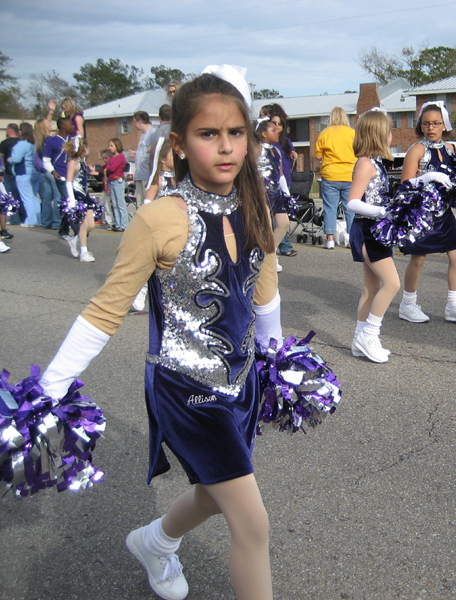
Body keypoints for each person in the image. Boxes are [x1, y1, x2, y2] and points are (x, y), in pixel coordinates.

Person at [39, 66, 280, 600]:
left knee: (218, 493)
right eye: (208, 134)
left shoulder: (255, 206)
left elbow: (264, 292)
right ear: (178, 143)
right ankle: (157, 544)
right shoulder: (158, 218)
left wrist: (278, 359)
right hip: (186, 388)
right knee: (253, 523)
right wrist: (48, 391)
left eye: (235, 133)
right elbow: (105, 310)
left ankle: (156, 541)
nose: (225, 147)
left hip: (241, 384)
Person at [399, 101, 456, 325]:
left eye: (435, 123)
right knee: (418, 258)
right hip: (421, 213)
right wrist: (427, 178)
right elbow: (405, 184)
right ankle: (408, 304)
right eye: (426, 124)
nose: (430, 128)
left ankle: (454, 305)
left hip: (443, 212)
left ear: (444, 125)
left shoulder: (450, 148)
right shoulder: (417, 150)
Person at [345, 109, 401, 362]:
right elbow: (352, 202)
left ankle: (359, 339)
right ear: (378, 135)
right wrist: (384, 212)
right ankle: (369, 334)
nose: (392, 135)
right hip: (368, 231)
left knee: (371, 287)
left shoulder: (375, 162)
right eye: (389, 131)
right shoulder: (366, 163)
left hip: (374, 230)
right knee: (392, 284)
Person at [315, 106, 357, 250]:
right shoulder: (353, 133)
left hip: (330, 174)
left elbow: (318, 156)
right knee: (350, 208)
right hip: (349, 174)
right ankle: (352, 239)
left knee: (330, 208)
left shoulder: (325, 133)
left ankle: (330, 240)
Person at [255, 118, 291, 273]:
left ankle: (270, 253)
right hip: (261, 193)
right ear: (263, 133)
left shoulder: (276, 150)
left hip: (276, 193)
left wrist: (287, 193)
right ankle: (264, 258)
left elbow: (280, 173)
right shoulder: (255, 150)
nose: (278, 132)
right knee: (267, 227)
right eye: (273, 130)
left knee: (284, 224)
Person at [61, 137, 101, 263]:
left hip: (85, 196)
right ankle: (83, 252)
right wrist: (72, 200)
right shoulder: (73, 162)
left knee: (91, 225)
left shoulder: (82, 162)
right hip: (77, 196)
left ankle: (74, 240)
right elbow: (68, 182)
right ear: (83, 148)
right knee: (84, 224)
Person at [265, 104, 298, 257]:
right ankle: (274, 248)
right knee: (270, 217)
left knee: (282, 218)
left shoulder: (284, 141)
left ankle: (280, 246)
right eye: (274, 123)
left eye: (279, 124)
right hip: (268, 185)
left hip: (284, 181)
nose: (277, 126)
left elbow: (285, 164)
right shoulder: (264, 145)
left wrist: (293, 154)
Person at [43, 117, 78, 240]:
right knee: (70, 201)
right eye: (70, 124)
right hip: (62, 177)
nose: (73, 126)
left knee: (69, 201)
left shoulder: (73, 140)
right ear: (63, 126)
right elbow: (46, 160)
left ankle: (63, 229)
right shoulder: (52, 141)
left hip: (73, 177)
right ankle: (78, 230)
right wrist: (53, 171)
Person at [9, 122, 39, 227]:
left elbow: (16, 159)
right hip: (36, 172)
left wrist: (10, 159)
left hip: (23, 172)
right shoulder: (35, 143)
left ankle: (31, 220)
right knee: (34, 196)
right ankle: (38, 219)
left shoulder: (22, 144)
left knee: (27, 197)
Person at [34, 118, 61, 230]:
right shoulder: (50, 140)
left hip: (44, 172)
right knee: (57, 196)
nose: (50, 124)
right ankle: (56, 223)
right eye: (48, 123)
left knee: (46, 198)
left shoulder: (40, 141)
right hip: (52, 170)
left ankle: (45, 222)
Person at [130, 111, 158, 208]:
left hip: (146, 173)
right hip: (139, 173)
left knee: (147, 204)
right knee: (140, 203)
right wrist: (136, 153)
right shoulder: (143, 135)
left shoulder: (153, 133)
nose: (134, 125)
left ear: (139, 121)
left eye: (134, 122)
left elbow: (155, 150)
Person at [106, 138, 128, 232]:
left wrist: (110, 168)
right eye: (109, 146)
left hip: (118, 181)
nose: (110, 148)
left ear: (117, 146)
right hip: (112, 182)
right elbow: (107, 168)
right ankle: (118, 223)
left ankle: (124, 224)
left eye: (112, 146)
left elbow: (112, 168)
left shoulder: (121, 156)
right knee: (114, 204)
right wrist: (109, 168)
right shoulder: (112, 158)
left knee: (120, 204)